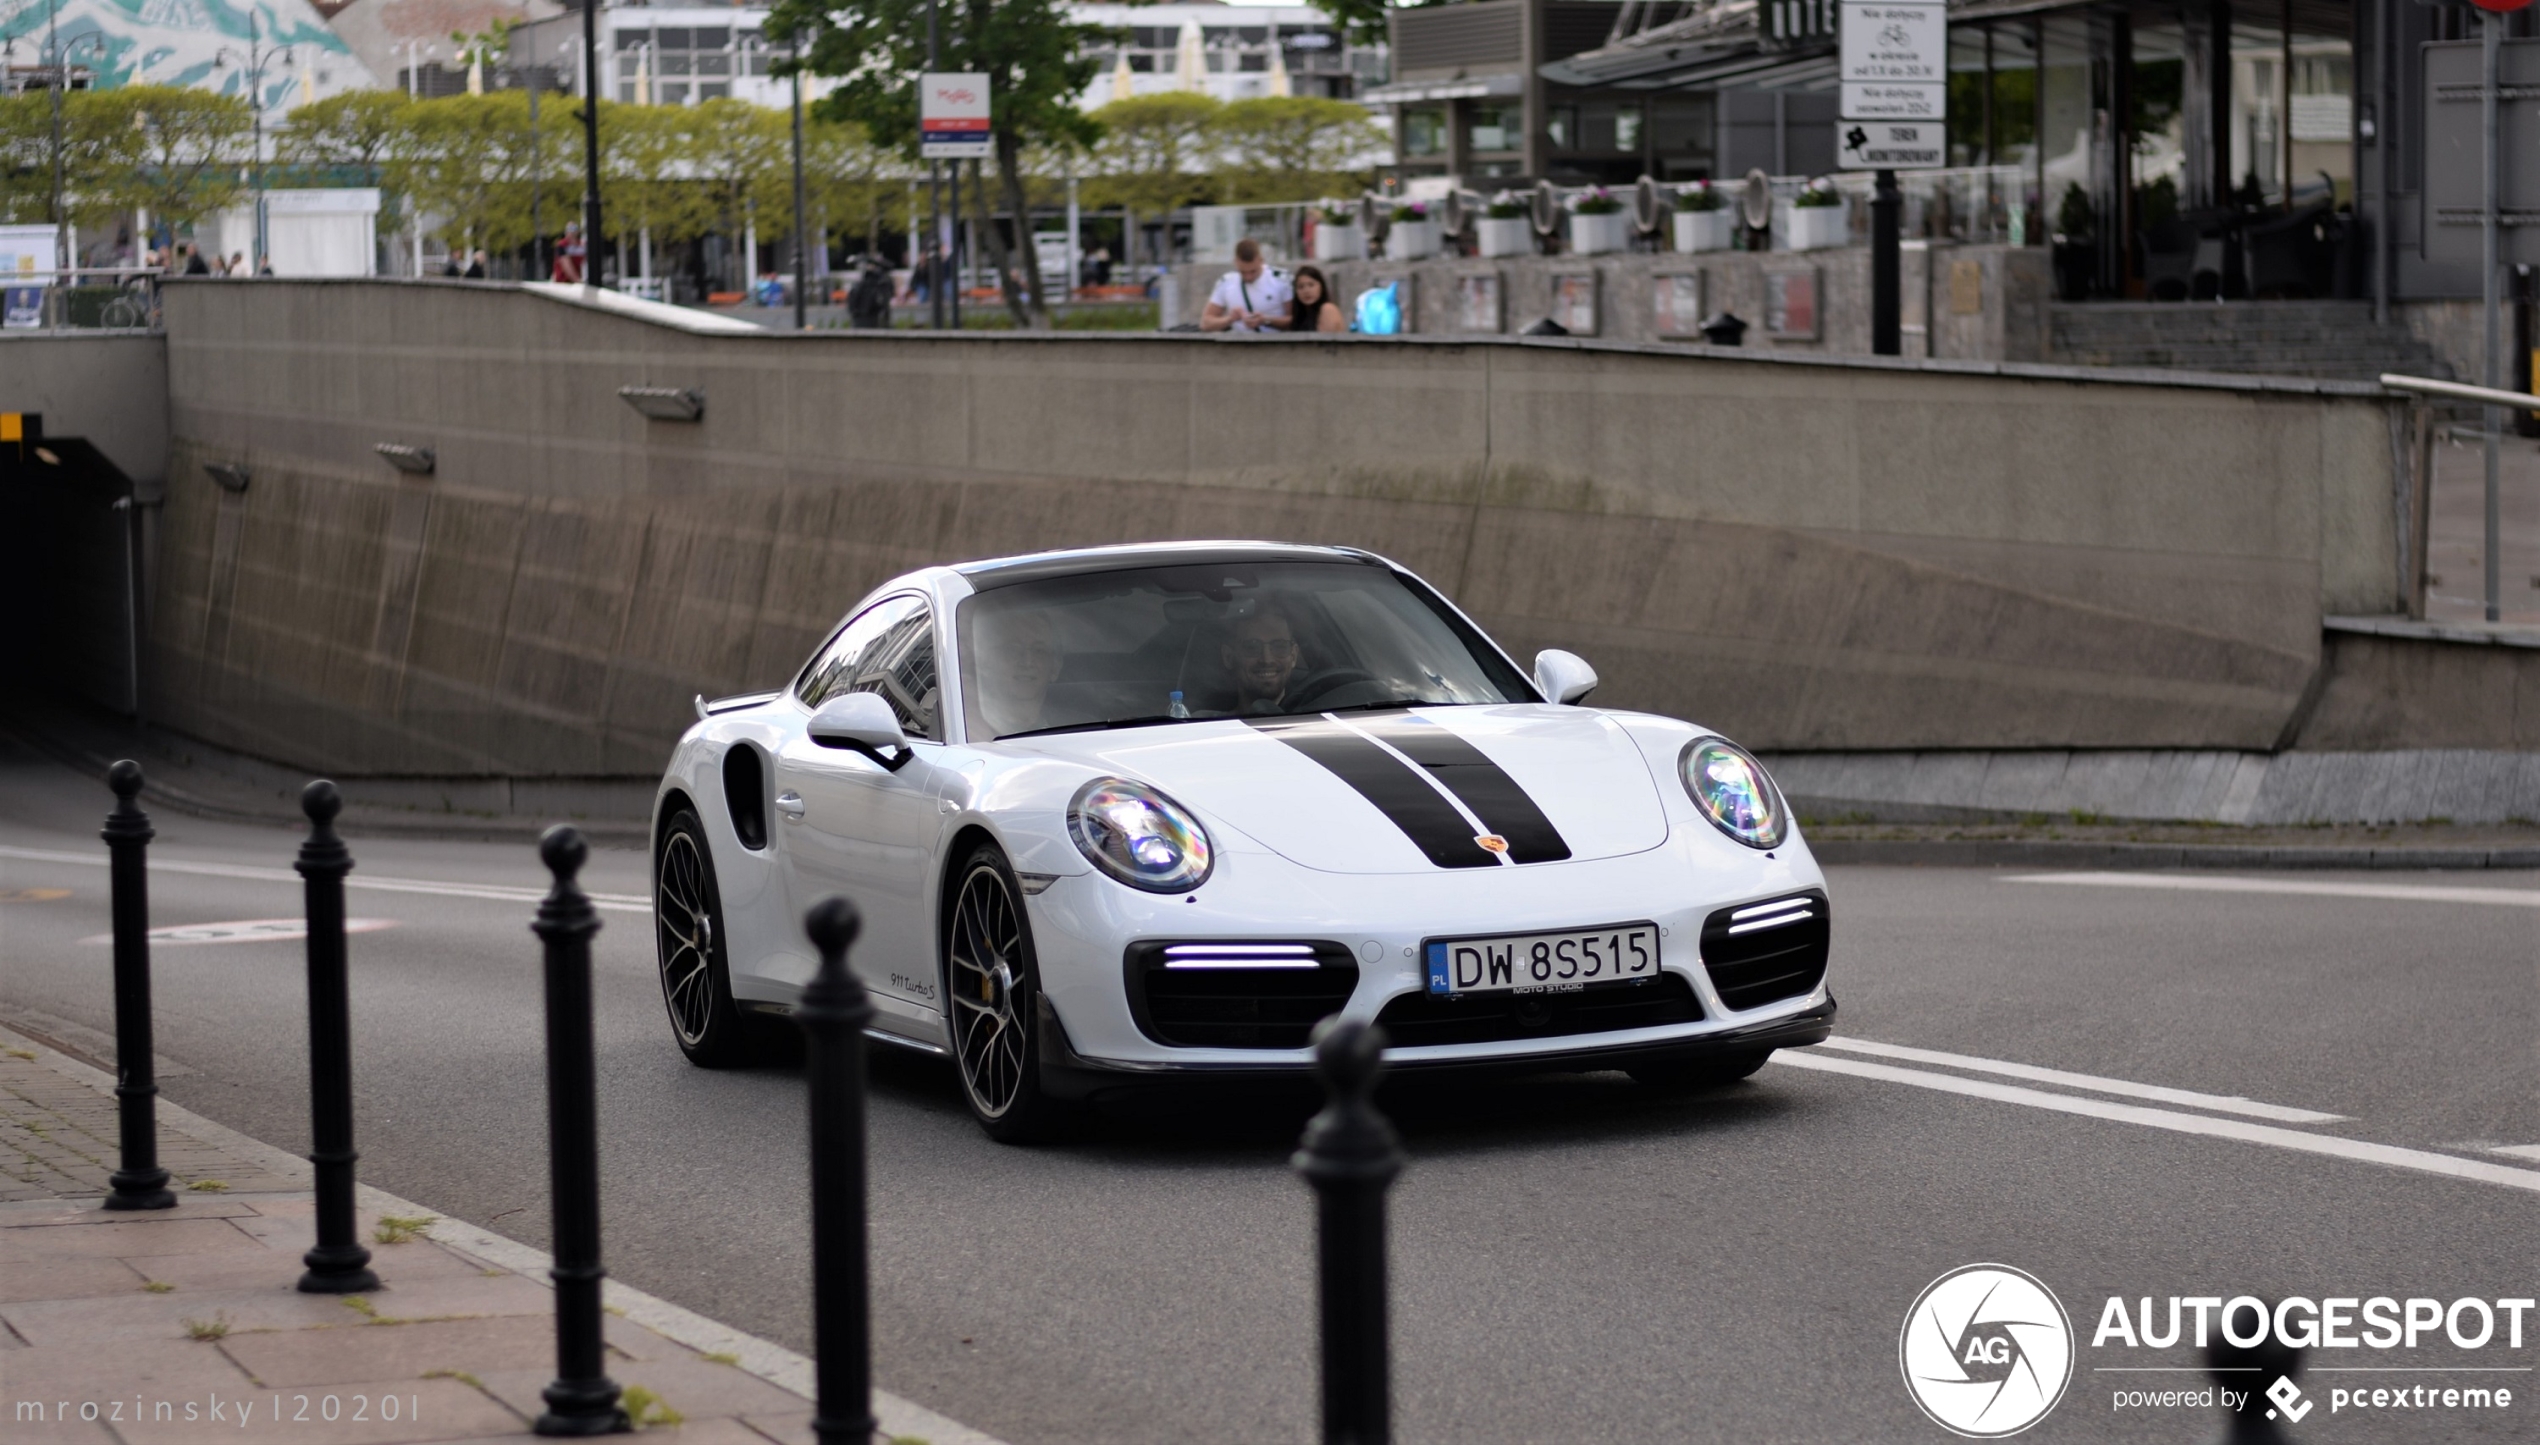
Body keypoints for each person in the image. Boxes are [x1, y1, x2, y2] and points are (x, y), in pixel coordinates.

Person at [972, 607, 1062, 736]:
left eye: (1039, 651)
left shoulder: (1080, 730)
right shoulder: (971, 733)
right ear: (985, 664)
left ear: (1055, 667)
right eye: (1012, 650)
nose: (1027, 662)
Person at [1221, 607, 1303, 714]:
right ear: (1229, 657)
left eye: (1279, 646)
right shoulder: (1208, 727)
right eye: (1252, 647)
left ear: (1293, 656)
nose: (1267, 660)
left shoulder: (1317, 721)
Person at [1199, 238, 1289, 333]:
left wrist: (1265, 320)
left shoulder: (1281, 279)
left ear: (1261, 261)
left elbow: (1295, 320)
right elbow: (1205, 324)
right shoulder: (1226, 282)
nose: (1248, 277)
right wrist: (1230, 319)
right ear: (1236, 262)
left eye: (1253, 271)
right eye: (1243, 272)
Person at [1285, 266, 1346, 334]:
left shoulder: (1327, 308)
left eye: (1311, 285)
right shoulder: (1302, 314)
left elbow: (1326, 342)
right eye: (1301, 287)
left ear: (1321, 286)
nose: (1306, 291)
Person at [846, 258, 893, 329]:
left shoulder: (860, 283)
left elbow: (852, 300)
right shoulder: (880, 282)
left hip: (860, 316)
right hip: (871, 316)